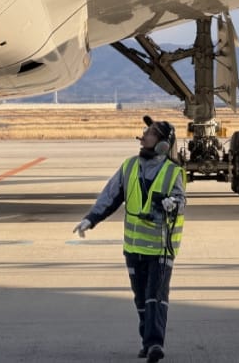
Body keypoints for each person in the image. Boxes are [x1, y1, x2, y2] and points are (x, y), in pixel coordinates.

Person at [73, 115, 186, 363]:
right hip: (134, 247)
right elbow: (110, 196)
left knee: (155, 296)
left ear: (163, 144)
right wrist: (91, 219)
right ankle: (147, 342)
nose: (143, 135)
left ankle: (155, 344)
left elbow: (181, 201)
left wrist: (173, 204)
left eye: (150, 133)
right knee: (141, 299)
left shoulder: (173, 171)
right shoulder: (129, 167)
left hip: (160, 248)